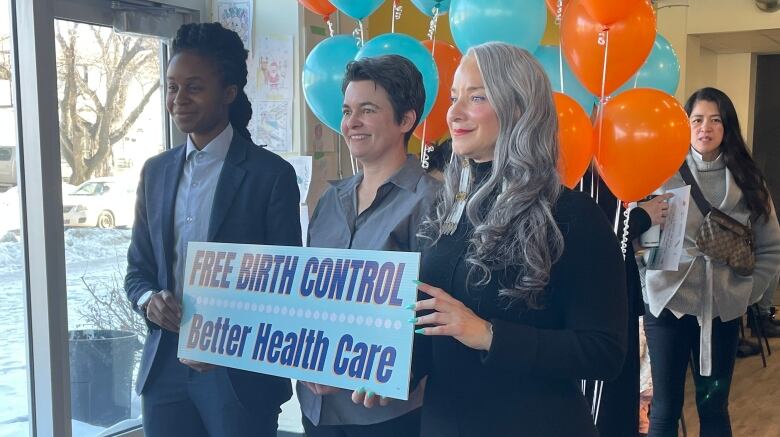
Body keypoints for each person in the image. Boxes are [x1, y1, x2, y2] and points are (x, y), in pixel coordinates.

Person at [410, 42, 628, 437]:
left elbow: (604, 352)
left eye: (476, 97)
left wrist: (489, 335)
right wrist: (388, 371)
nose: (454, 113)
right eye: (455, 96)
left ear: (518, 108)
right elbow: (434, 326)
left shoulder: (572, 216)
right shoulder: (444, 209)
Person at [124, 23, 301, 437]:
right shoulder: (155, 172)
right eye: (171, 87)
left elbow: (283, 282)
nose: (178, 100)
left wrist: (225, 338)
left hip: (239, 374)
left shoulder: (271, 175)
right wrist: (150, 299)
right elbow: (137, 272)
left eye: (193, 87)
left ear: (228, 93)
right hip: (165, 368)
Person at [298, 54, 440, 437]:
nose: (351, 123)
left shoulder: (431, 202)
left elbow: (435, 311)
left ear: (406, 120)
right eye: (347, 111)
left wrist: (397, 369)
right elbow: (310, 297)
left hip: (385, 414)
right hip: (317, 407)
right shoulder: (329, 199)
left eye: (367, 110)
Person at [642, 87, 780, 437]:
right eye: (698, 119)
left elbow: (770, 245)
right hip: (668, 308)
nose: (706, 127)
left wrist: (749, 293)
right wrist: (648, 281)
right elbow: (641, 241)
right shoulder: (661, 173)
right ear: (684, 126)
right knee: (665, 408)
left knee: (714, 406)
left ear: (727, 127)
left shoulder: (748, 180)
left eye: (716, 120)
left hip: (723, 308)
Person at [597, 193, 671, 437]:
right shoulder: (582, 182)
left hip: (622, 299)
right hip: (602, 308)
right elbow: (598, 235)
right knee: (610, 403)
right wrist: (641, 218)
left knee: (623, 401)